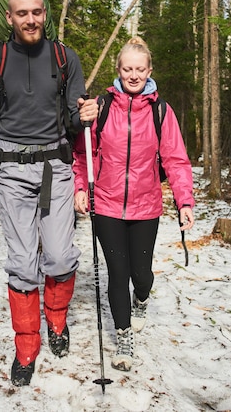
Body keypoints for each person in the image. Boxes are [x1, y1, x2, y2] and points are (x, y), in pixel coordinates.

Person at [0, 0, 98, 387]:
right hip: (12, 171)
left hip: (55, 168)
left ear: (45, 13)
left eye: (37, 12)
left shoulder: (64, 56)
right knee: (22, 263)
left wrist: (87, 112)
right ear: (10, 18)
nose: (31, 20)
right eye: (23, 13)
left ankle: (56, 322)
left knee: (58, 257)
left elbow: (76, 114)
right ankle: (26, 346)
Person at [72, 37, 195, 372]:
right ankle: (123, 336)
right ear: (118, 70)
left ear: (150, 71)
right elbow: (83, 153)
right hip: (106, 205)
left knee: (141, 275)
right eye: (128, 68)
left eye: (140, 69)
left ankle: (142, 297)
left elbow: (177, 160)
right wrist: (81, 187)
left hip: (146, 206)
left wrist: (185, 200)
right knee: (118, 272)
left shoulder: (160, 111)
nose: (134, 74)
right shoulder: (102, 106)